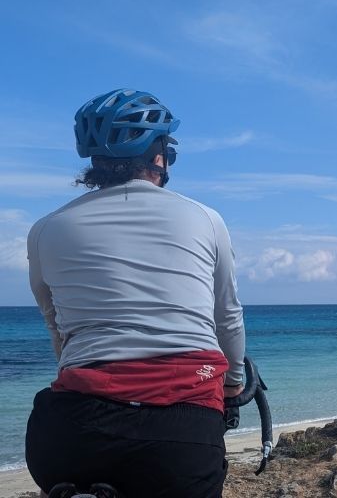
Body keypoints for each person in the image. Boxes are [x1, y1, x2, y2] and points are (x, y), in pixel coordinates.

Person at [25, 88, 245, 498]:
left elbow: (56, 324)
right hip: (181, 438)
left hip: (71, 432)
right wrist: (232, 384)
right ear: (159, 156)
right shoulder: (205, 218)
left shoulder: (46, 229)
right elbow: (227, 316)